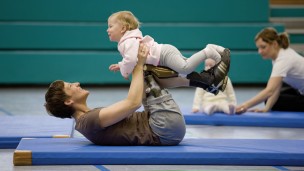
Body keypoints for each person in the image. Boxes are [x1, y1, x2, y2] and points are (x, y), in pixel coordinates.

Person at [44, 43, 229, 146]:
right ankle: (207, 81)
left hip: (160, 124)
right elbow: (133, 103)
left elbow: (134, 100)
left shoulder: (88, 118)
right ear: (68, 101)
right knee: (144, 71)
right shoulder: (88, 121)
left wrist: (136, 68)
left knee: (146, 73)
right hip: (163, 128)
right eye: (70, 85)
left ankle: (208, 82)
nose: (76, 83)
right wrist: (137, 65)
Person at [107, 10, 230, 94]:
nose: (108, 30)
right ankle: (209, 82)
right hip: (163, 54)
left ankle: (208, 51)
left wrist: (125, 71)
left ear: (123, 28)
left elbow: (131, 60)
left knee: (185, 68)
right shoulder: (129, 40)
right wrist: (121, 65)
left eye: (110, 26)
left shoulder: (127, 41)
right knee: (184, 70)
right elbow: (131, 58)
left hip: (164, 54)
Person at [236, 27, 304, 114]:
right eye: (258, 48)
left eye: (263, 47)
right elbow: (276, 87)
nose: (260, 51)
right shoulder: (279, 55)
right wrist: (267, 108)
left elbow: (270, 90)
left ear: (274, 44)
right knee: (270, 99)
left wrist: (244, 106)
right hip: (300, 91)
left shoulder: (284, 59)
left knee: (273, 99)